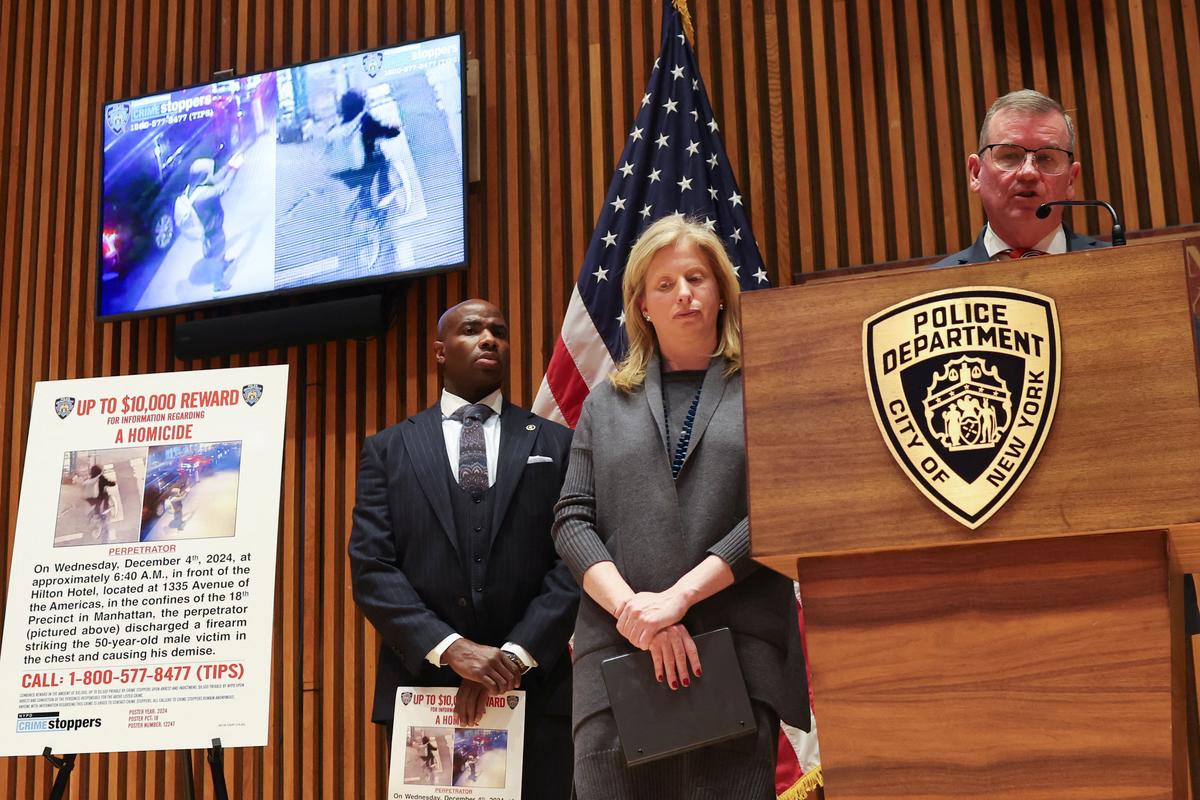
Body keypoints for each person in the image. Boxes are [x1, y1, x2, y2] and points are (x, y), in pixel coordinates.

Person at [553, 216, 810, 799]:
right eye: (664, 284)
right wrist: (639, 617)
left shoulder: (766, 387)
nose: (684, 293)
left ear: (721, 290)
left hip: (735, 653)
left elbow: (777, 509)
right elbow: (571, 520)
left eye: (696, 277)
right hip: (617, 658)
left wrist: (678, 600)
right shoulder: (603, 402)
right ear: (641, 304)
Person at [348, 299, 577, 799]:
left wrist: (512, 657)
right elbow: (371, 568)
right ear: (439, 351)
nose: (489, 338)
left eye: (499, 330)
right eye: (471, 330)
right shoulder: (387, 450)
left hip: (536, 692)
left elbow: (574, 560)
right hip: (426, 692)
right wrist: (453, 650)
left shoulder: (558, 443)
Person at [934, 89, 1108, 266]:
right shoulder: (934, 287)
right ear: (976, 173)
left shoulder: (1116, 268)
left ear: (1071, 180)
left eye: (1045, 158)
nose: (1028, 172)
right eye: (1010, 156)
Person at [176, 153, 244, 291]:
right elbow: (223, 186)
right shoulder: (203, 195)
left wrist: (228, 165)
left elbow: (215, 178)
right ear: (203, 175)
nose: (211, 174)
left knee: (218, 250)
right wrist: (235, 169)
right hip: (212, 230)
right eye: (209, 172)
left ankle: (222, 262)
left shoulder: (193, 186)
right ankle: (218, 284)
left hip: (209, 228)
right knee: (217, 254)